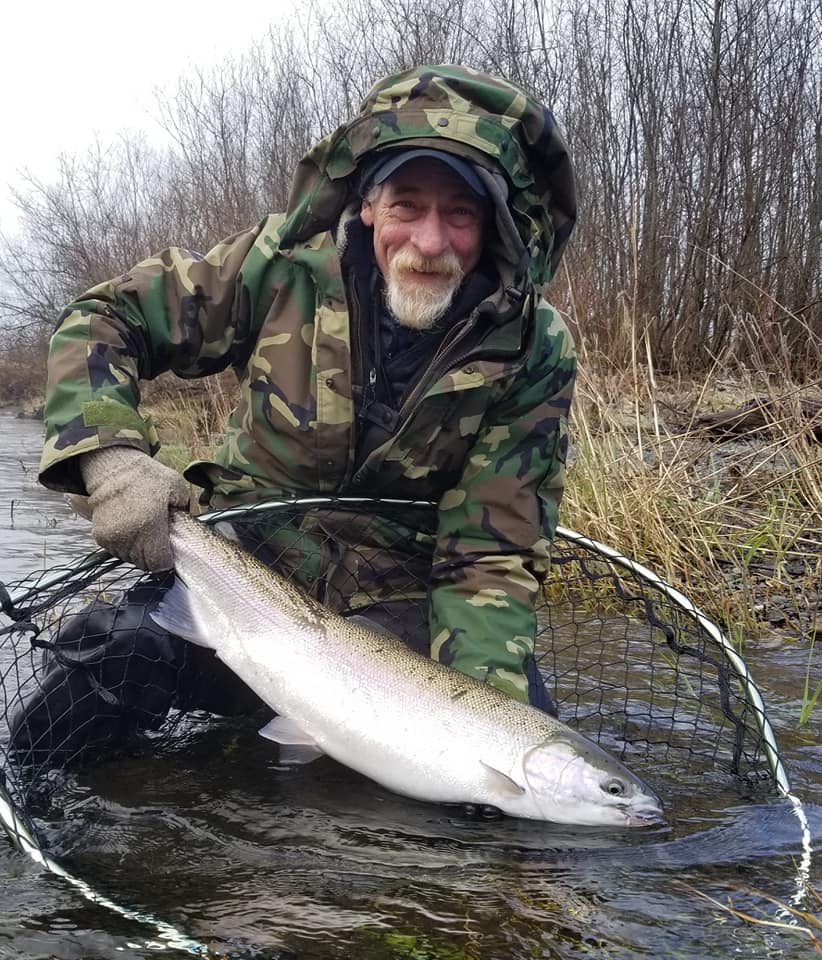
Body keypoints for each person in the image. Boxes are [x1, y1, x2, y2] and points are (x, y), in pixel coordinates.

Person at [11, 64, 577, 783]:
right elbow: (104, 319)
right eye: (407, 205)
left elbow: (488, 555)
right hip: (242, 581)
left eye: (460, 214)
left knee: (495, 767)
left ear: (494, 224)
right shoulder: (278, 266)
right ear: (368, 204)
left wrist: (481, 732)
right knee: (114, 654)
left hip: (399, 614)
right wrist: (110, 456)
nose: (430, 241)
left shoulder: (533, 347)